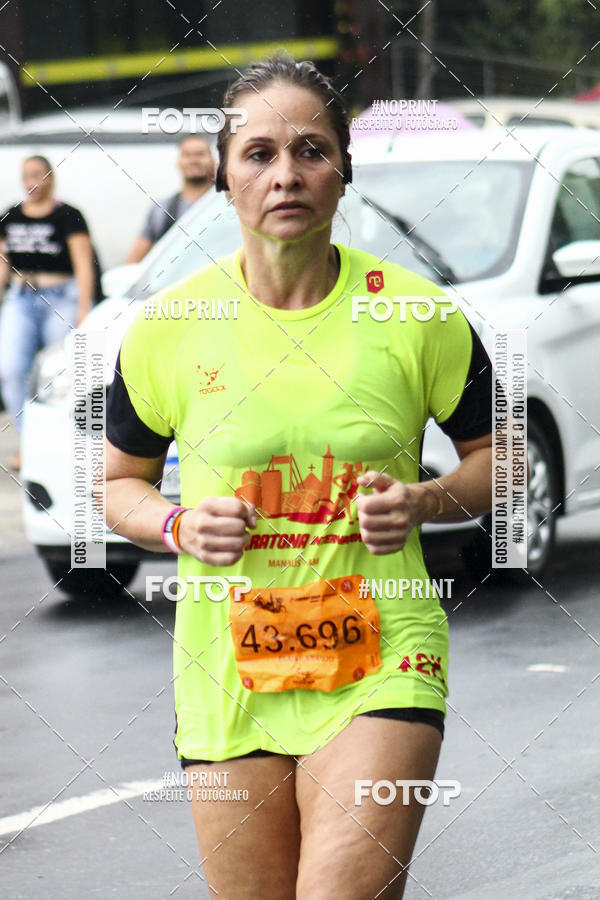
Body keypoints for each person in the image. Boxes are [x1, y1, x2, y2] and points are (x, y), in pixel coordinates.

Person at [104, 53, 493, 898]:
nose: (286, 174)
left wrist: (423, 500)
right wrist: (176, 524)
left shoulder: (418, 314)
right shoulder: (169, 327)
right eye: (259, 154)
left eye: (311, 150)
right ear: (223, 178)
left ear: (344, 170)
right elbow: (115, 484)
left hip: (384, 654)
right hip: (228, 667)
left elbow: (498, 459)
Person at [0, 155, 94, 469]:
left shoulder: (68, 215)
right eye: (27, 176)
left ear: (51, 177)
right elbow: (2, 265)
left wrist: (84, 309)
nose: (33, 182)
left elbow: (84, 264)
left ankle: (59, 443)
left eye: (38, 175)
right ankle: (29, 442)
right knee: (11, 369)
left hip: (61, 296)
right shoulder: (10, 216)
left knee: (57, 371)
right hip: (21, 297)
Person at [125, 135, 215, 263]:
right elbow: (134, 259)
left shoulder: (227, 204)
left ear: (213, 161)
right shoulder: (162, 208)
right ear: (178, 162)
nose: (193, 160)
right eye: (187, 155)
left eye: (200, 154)